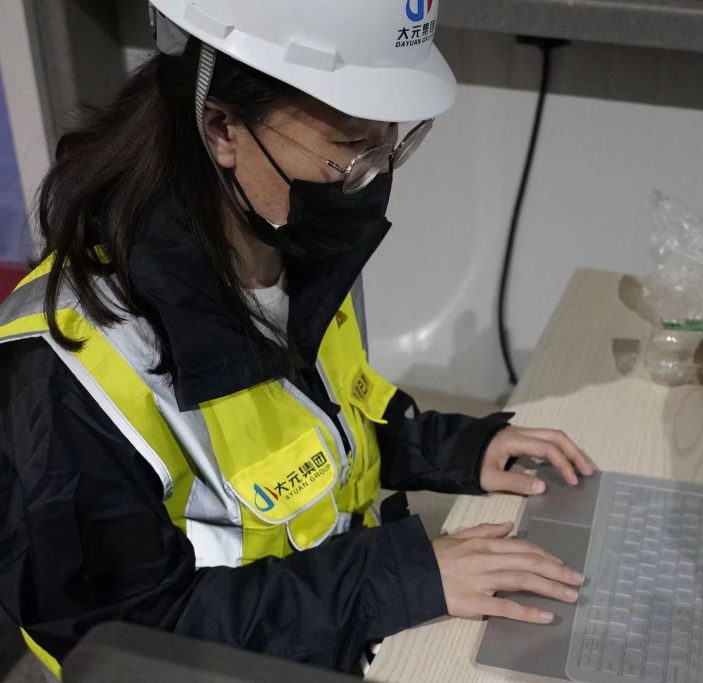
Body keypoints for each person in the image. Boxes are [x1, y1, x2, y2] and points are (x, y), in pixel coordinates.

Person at [0, 0, 594, 676]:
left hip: (335, 648)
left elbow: (326, 423)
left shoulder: (288, 249)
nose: (375, 177)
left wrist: (448, 448)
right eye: (351, 148)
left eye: (392, 143)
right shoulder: (64, 373)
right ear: (222, 127)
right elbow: (126, 643)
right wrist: (392, 576)